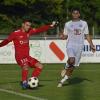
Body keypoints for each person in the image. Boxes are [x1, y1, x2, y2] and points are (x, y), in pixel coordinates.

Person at [0, 19, 56, 89]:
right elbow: (6, 41)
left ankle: (31, 81)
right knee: (25, 66)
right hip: (19, 57)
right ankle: (24, 83)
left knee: (40, 66)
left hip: (27, 56)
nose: (28, 27)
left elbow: (39, 30)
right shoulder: (15, 33)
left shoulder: (29, 31)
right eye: (27, 25)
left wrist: (50, 26)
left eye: (29, 25)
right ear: (23, 25)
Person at [57, 8, 96, 87]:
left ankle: (63, 80)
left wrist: (91, 45)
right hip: (70, 45)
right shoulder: (67, 24)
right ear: (72, 14)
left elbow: (87, 35)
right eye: (73, 13)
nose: (75, 14)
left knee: (72, 67)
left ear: (79, 14)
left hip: (80, 46)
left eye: (76, 13)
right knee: (72, 60)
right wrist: (62, 36)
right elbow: (65, 36)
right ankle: (65, 67)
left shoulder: (84, 23)